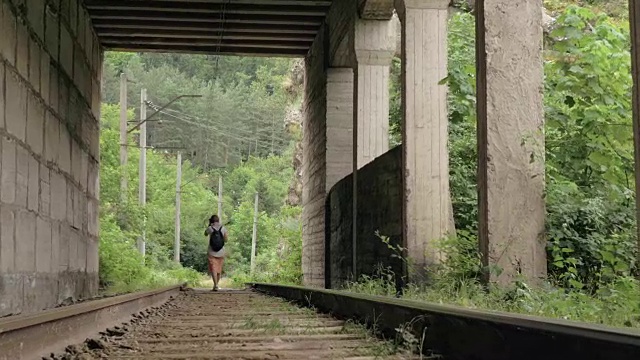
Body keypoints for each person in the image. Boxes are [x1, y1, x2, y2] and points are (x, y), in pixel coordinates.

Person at [204, 215, 228, 291]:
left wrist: (209, 226)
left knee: (213, 268)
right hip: (221, 251)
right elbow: (226, 240)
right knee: (219, 268)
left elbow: (205, 234)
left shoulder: (210, 228)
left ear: (211, 221)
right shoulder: (223, 228)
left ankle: (215, 285)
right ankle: (216, 285)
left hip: (211, 251)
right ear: (218, 220)